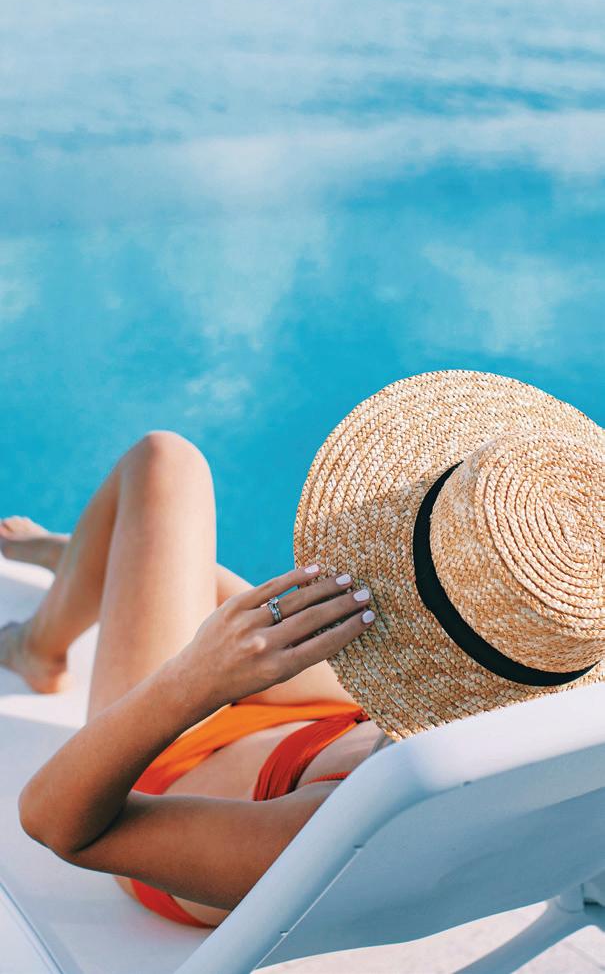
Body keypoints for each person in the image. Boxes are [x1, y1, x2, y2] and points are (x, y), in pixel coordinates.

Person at [2, 368, 604, 932]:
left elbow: (58, 825)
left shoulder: (323, 833)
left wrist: (195, 679)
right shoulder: (551, 744)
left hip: (172, 767)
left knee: (164, 465)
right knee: (196, 574)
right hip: (348, 725)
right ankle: (86, 561)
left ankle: (42, 638)